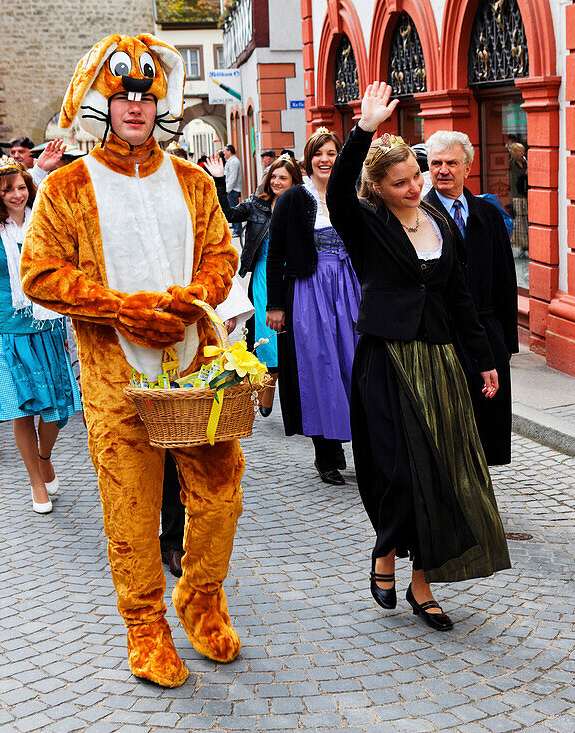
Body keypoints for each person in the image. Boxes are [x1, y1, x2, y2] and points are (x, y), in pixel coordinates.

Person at [21, 33, 244, 688]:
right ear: (103, 105)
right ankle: (145, 627)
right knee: (132, 509)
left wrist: (194, 296)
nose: (137, 107)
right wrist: (120, 308)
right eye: (124, 97)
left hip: (194, 365)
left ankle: (201, 595)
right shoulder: (66, 188)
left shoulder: (194, 180)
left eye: (146, 96)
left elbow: (222, 256)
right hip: (116, 377)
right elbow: (38, 273)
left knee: (221, 493)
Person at [328, 83, 510, 632]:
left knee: (442, 474)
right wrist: (363, 128)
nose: (413, 188)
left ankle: (422, 584)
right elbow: (338, 192)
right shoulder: (366, 223)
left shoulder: (441, 224)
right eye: (400, 182)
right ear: (379, 187)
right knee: (399, 472)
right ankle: (385, 553)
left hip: (441, 360)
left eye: (417, 177)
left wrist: (484, 361)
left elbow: (460, 300)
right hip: (387, 360)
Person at [0, 157, 82, 514]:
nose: (17, 194)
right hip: (5, 329)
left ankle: (44, 456)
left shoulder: (44, 222)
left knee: (58, 410)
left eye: (21, 186)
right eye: (7, 189)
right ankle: (34, 480)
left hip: (47, 326)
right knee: (22, 410)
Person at [267, 127, 360, 485]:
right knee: (319, 367)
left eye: (332, 153)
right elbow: (275, 253)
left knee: (353, 365)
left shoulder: (351, 195)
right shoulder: (293, 198)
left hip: (349, 288)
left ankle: (360, 445)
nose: (325, 160)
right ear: (309, 159)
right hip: (309, 290)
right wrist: (276, 305)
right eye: (319, 153)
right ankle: (326, 454)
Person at [424, 130, 519, 466]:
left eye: (452, 163)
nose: (443, 170)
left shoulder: (488, 213)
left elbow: (506, 280)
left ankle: (478, 483)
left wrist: (507, 343)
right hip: (441, 333)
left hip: (487, 328)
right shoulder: (419, 215)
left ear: (468, 168)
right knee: (447, 419)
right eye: (436, 163)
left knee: (486, 421)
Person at [210, 154, 302, 415]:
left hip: (295, 277)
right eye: (273, 176)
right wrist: (220, 181)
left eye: (282, 177)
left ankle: (298, 398)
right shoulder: (256, 205)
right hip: (263, 276)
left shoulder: (302, 205)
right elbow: (226, 214)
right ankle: (266, 392)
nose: (275, 181)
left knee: (295, 338)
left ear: (294, 181)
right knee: (268, 339)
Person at [508, 142, 528, 257]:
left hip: (525, 194)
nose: (523, 153)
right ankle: (517, 245)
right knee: (519, 221)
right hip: (517, 195)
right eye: (521, 151)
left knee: (525, 220)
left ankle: (525, 245)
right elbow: (520, 175)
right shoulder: (513, 164)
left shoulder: (524, 162)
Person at [222, 144, 243, 234]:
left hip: (233, 189)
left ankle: (238, 229)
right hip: (231, 189)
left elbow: (232, 177)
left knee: (234, 209)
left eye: (225, 151)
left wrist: (227, 189)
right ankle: (235, 226)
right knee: (232, 208)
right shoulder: (231, 161)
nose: (224, 153)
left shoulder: (234, 161)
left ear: (229, 151)